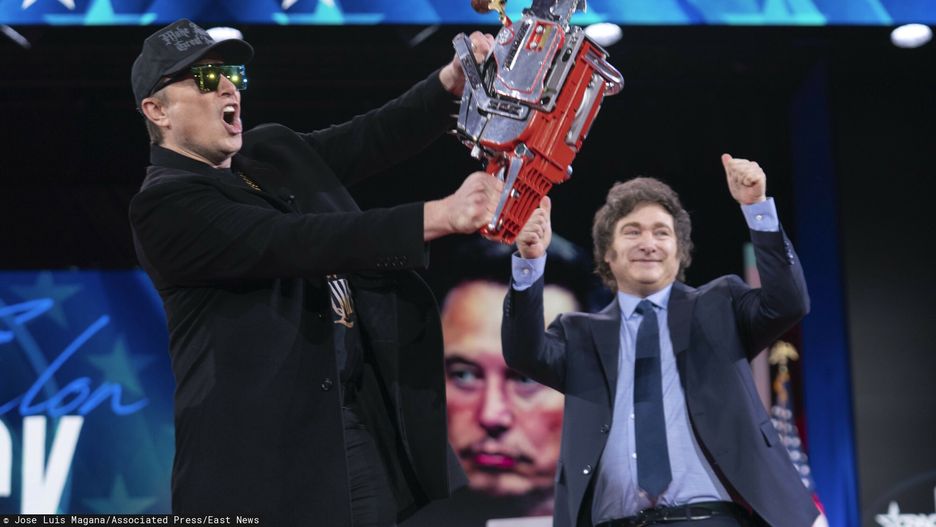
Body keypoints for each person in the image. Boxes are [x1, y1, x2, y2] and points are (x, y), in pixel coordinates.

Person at [128, 18, 500, 527]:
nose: (229, 87)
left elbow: (370, 137)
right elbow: (299, 241)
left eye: (232, 74)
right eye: (207, 79)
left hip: (346, 427)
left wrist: (449, 83)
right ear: (158, 111)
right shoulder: (163, 207)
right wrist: (439, 216)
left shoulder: (269, 154)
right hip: (256, 463)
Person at [501, 156, 828, 527]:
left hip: (709, 520)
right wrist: (529, 262)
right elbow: (524, 352)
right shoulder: (579, 334)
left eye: (661, 233)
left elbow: (789, 302)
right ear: (608, 252)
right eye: (632, 232)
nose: (648, 243)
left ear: (679, 251)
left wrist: (756, 207)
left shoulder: (719, 304)